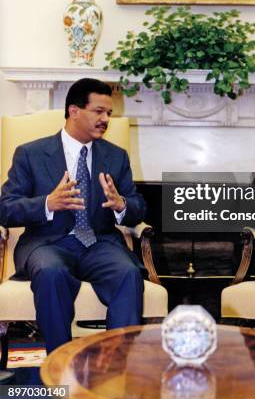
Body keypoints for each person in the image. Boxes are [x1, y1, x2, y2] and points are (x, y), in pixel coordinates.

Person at [0, 78, 146, 353]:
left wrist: (121, 204)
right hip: (47, 243)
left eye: (109, 114)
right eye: (98, 111)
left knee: (128, 273)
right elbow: (5, 208)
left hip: (99, 242)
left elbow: (139, 207)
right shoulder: (31, 154)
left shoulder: (116, 156)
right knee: (51, 272)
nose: (106, 119)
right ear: (74, 111)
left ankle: (116, 371)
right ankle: (61, 370)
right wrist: (47, 203)